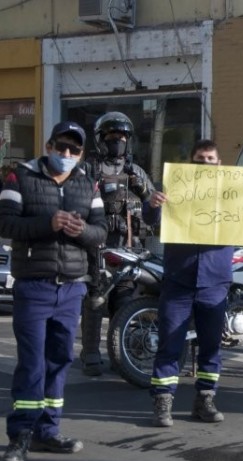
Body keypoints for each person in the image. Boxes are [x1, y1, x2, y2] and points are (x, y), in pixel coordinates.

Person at [143, 139, 243, 427]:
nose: (205, 164)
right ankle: (163, 402)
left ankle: (205, 400)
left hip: (215, 282)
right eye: (199, 159)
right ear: (191, 163)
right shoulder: (175, 189)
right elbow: (151, 218)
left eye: (210, 159)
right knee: (170, 343)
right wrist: (153, 204)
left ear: (219, 164)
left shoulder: (235, 194)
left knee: (211, 346)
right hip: (179, 279)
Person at [0, 122, 107, 460]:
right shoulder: (21, 177)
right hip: (34, 284)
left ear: (82, 154)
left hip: (71, 288)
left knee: (59, 360)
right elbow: (5, 223)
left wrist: (83, 230)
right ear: (48, 145)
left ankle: (48, 431)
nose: (66, 154)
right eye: (61, 147)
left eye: (73, 150)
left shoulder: (88, 184)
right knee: (32, 363)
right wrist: (48, 224)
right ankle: (20, 435)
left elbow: (101, 232)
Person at [79, 111, 157, 377]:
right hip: (98, 248)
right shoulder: (89, 169)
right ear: (101, 139)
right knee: (95, 299)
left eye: (122, 136)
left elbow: (154, 209)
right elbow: (77, 202)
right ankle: (90, 352)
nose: (117, 141)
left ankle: (119, 352)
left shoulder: (136, 171)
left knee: (123, 301)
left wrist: (144, 191)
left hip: (128, 248)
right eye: (112, 136)